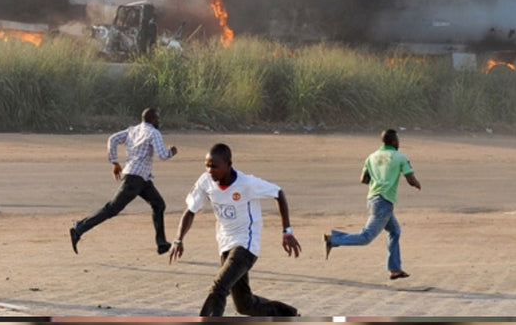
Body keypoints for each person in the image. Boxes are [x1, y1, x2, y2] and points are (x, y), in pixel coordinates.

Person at [168, 143, 301, 317]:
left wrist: (287, 232)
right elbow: (190, 211)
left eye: (214, 166)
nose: (210, 170)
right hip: (225, 244)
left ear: (228, 164)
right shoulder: (206, 181)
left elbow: (278, 193)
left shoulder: (247, 183)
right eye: (207, 166)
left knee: (218, 288)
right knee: (244, 305)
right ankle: (288, 315)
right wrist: (179, 239)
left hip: (246, 245)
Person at [70, 108, 177, 255]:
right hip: (135, 179)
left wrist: (115, 162)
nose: (159, 121)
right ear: (152, 119)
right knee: (112, 208)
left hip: (142, 178)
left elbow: (112, 139)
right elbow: (163, 155)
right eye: (157, 119)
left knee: (158, 204)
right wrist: (172, 151)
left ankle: (161, 243)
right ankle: (79, 228)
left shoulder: (132, 130)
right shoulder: (154, 133)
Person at [323, 128, 421, 280]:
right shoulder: (400, 157)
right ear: (394, 141)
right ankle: (333, 239)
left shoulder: (371, 157)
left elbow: (363, 179)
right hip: (384, 202)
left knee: (395, 231)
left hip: (373, 199)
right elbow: (410, 178)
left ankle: (395, 269)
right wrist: (417, 185)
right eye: (398, 140)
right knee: (366, 237)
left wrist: (377, 183)